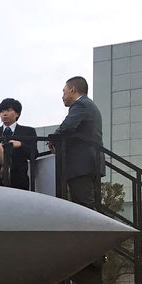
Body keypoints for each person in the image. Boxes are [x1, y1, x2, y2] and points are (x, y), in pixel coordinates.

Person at [49, 76, 104, 209]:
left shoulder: (80, 104)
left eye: (64, 91)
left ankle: (91, 230)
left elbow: (67, 127)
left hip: (81, 163)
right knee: (85, 204)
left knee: (83, 206)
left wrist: (52, 140)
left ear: (72, 89)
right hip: (90, 161)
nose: (62, 96)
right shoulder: (89, 104)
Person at [0, 98, 37, 190]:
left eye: (8, 110)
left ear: (17, 113)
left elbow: (34, 153)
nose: (4, 114)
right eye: (2, 111)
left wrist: (20, 145)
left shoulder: (28, 131)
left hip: (19, 179)